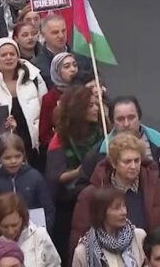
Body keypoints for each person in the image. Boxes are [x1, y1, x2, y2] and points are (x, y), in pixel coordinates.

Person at [71, 133, 160, 251]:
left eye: (137, 160)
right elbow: (79, 236)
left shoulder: (154, 185)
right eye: (127, 162)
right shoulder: (92, 194)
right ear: (114, 163)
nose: (133, 166)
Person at [81, 96, 160, 193]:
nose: (126, 124)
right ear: (112, 122)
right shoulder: (99, 153)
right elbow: (82, 185)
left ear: (139, 117)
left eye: (131, 118)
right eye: (120, 119)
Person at [46, 86, 106, 259]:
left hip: (97, 199)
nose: (96, 109)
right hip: (69, 203)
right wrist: (80, 171)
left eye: (96, 104)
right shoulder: (61, 138)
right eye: (90, 106)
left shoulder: (101, 132)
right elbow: (56, 177)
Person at [0, 38, 47, 159]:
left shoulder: (33, 77)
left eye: (12, 54)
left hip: (33, 144)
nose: (8, 58)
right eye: (3, 55)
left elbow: (45, 106)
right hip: (2, 149)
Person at [0, 192, 59, 267]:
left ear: (23, 219)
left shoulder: (39, 236)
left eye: (15, 225)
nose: (10, 232)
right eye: (5, 227)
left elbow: (55, 264)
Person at [0, 134, 56, 234]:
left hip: (33, 232)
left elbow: (48, 209)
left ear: (23, 155)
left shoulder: (35, 177)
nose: (13, 161)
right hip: (3, 234)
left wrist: (44, 232)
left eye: (17, 156)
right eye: (7, 158)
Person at [71, 188, 147, 267]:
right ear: (101, 213)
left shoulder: (138, 237)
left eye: (124, 206)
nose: (124, 212)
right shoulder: (83, 251)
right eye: (117, 208)